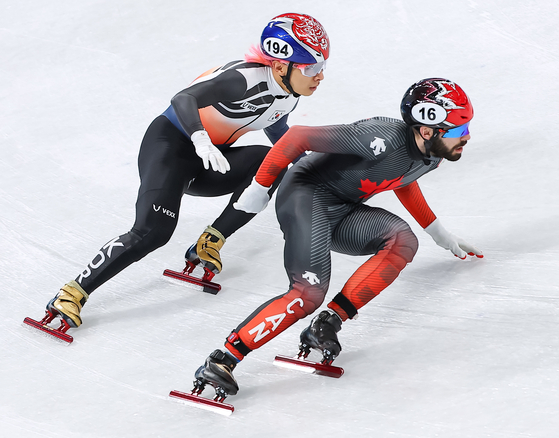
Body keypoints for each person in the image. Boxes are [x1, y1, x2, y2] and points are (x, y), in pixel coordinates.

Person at [191, 78, 484, 400]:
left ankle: (327, 324)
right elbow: (297, 136)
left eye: (466, 127)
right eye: (458, 131)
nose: (466, 137)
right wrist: (259, 189)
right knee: (307, 293)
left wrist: (437, 232)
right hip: (305, 197)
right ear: (428, 130)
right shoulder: (380, 136)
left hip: (342, 207)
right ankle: (223, 359)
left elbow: (403, 177)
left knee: (402, 240)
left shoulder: (431, 153)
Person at [38, 13, 330, 332]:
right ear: (279, 65)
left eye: (322, 66)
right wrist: (199, 137)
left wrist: (312, 170)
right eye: (312, 68)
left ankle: (210, 241)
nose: (320, 76)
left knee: (271, 164)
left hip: (208, 161)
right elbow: (183, 98)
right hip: (171, 147)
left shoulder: (289, 92)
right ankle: (73, 292)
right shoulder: (243, 79)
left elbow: (278, 131)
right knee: (154, 231)